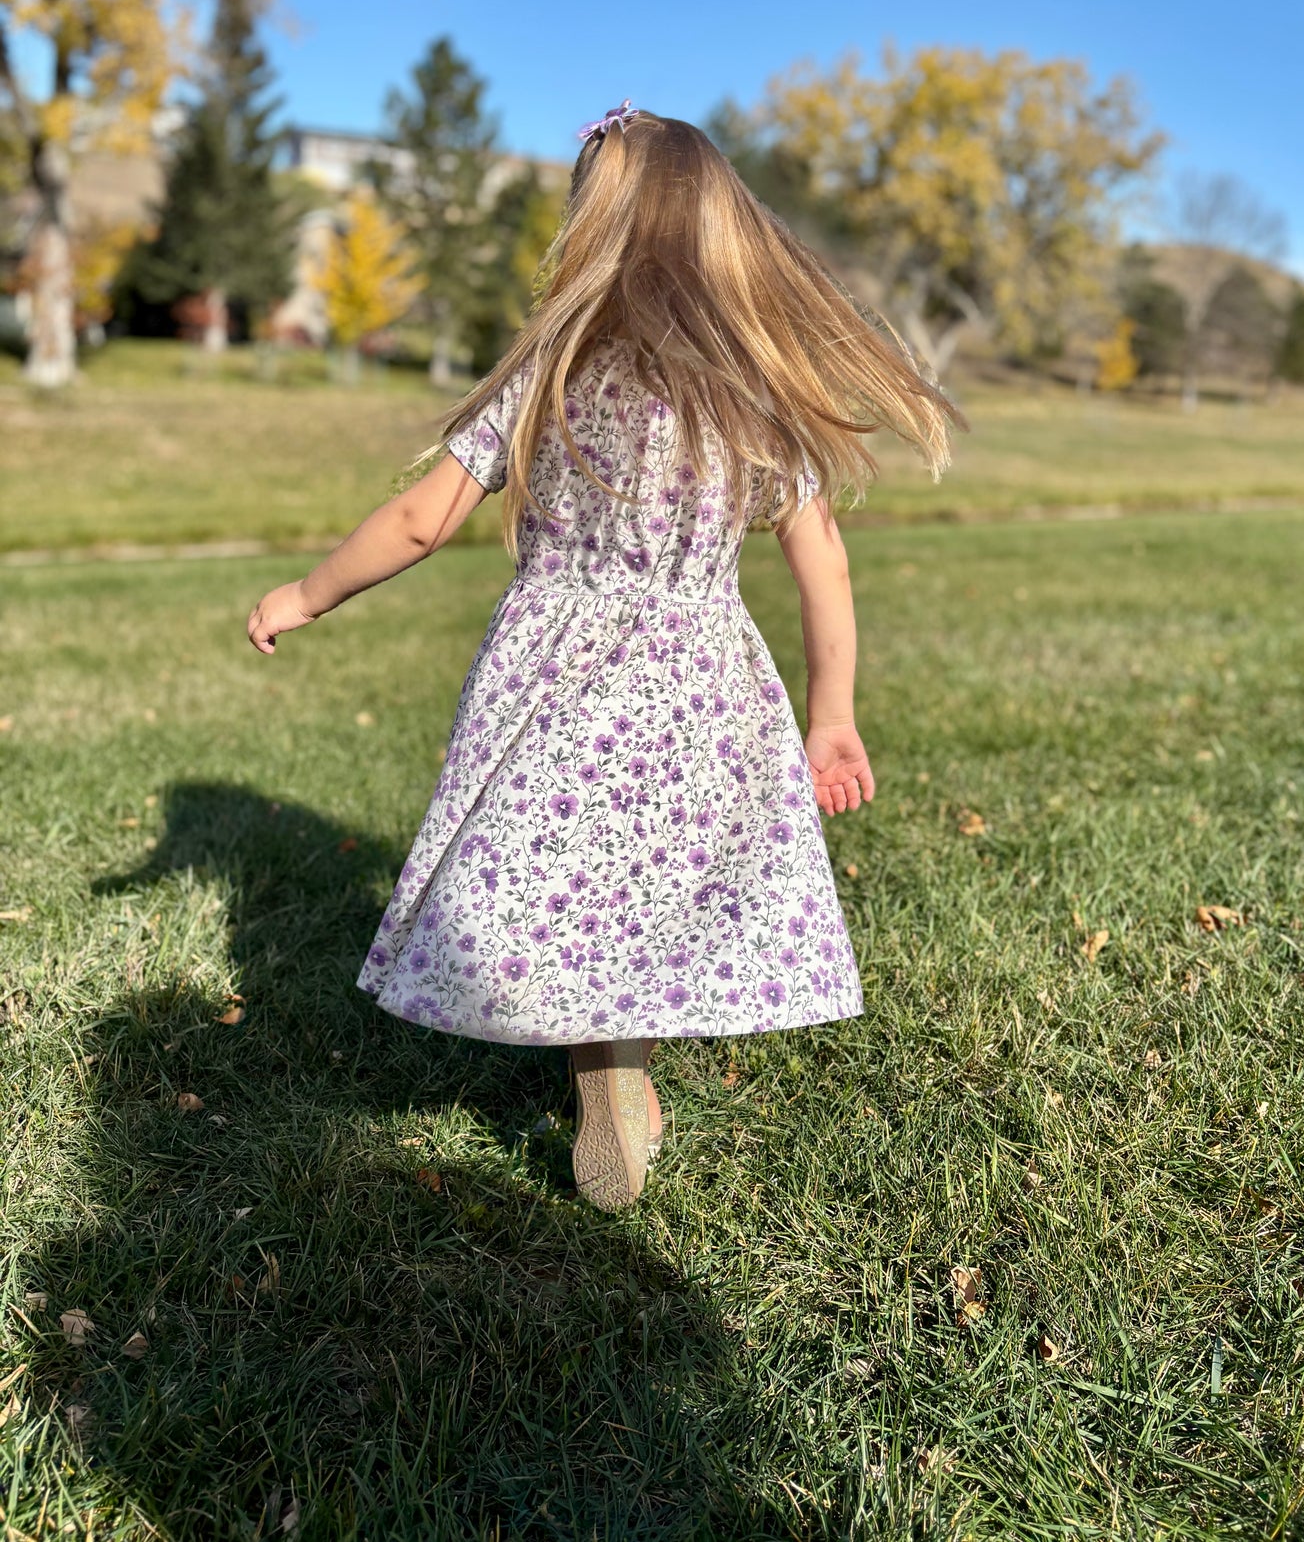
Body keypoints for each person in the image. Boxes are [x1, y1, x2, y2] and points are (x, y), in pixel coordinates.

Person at [247, 103, 957, 1210]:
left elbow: (420, 523)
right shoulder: (752, 392)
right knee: (654, 870)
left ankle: (607, 1067)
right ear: (724, 235)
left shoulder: (551, 372)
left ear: (592, 228)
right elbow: (824, 562)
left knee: (568, 865)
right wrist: (832, 711)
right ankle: (623, 1061)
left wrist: (307, 590)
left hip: (557, 659)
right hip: (701, 668)